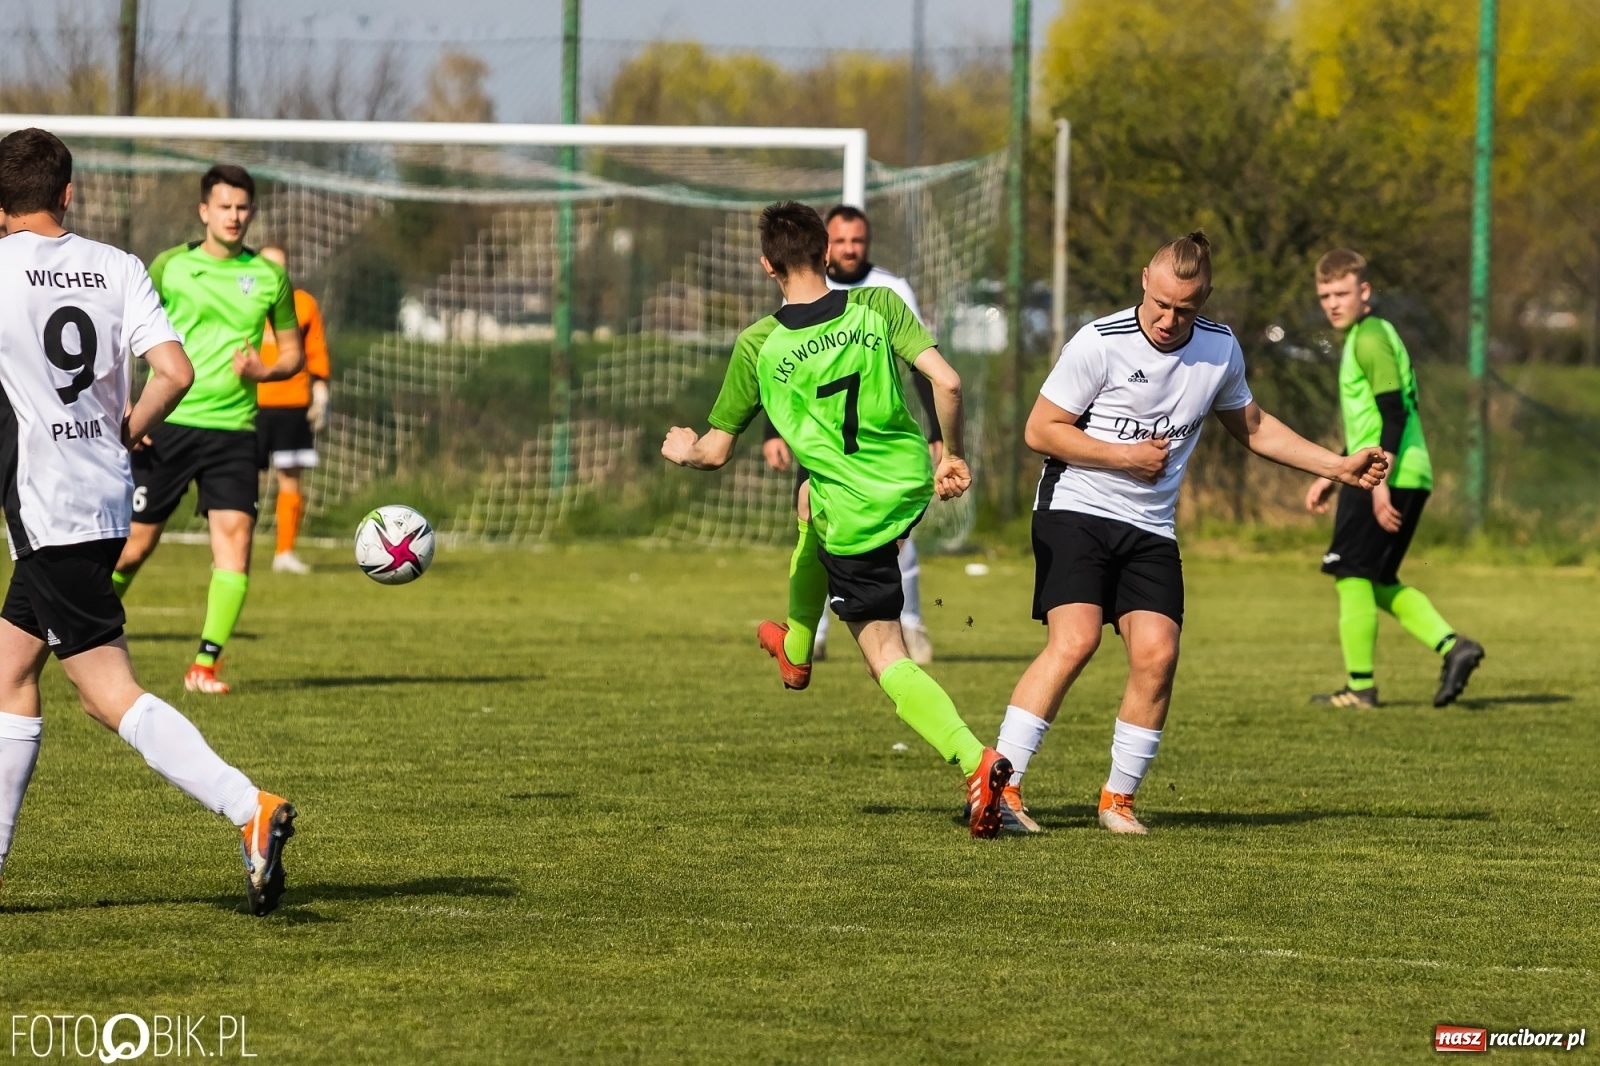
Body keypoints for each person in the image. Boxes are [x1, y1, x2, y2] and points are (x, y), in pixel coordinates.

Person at [991, 232, 1389, 835]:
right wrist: (1123, 457)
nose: (1171, 320)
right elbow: (1041, 430)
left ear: (1204, 300)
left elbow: (1251, 425)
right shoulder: (1099, 343)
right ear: (1144, 280)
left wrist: (1337, 466)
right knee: (1075, 641)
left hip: (1150, 524)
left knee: (1158, 654)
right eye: (1162, 305)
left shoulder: (1219, 348)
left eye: (1187, 309)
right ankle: (1002, 789)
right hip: (1076, 508)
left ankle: (1117, 802)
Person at [0, 128, 296, 915]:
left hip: (48, 501)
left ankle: (248, 807)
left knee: (106, 692)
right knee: (9, 672)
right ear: (67, 193)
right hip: (100, 491)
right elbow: (177, 371)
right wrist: (126, 425)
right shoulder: (120, 265)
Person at [661, 201, 1013, 838]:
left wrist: (682, 447)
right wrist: (952, 455)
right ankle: (795, 651)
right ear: (827, 252)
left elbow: (714, 453)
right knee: (808, 505)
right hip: (904, 486)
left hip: (856, 513)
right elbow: (950, 384)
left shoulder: (761, 345)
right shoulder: (878, 308)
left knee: (886, 656)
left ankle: (975, 760)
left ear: (768, 265)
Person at [112, 164, 306, 694]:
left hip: (235, 430)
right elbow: (120, 332)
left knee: (235, 540)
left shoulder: (270, 277)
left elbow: (294, 353)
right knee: (133, 548)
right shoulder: (170, 266)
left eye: (242, 207)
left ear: (252, 213)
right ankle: (80, 629)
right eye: (224, 206)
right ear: (204, 211)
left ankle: (205, 664)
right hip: (169, 424)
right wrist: (131, 404)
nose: (234, 216)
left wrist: (266, 371)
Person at [761, 205, 941, 664]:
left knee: (894, 539)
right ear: (826, 248)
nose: (848, 249)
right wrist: (771, 432)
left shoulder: (889, 290)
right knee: (817, 528)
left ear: (866, 243)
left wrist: (936, 430)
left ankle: (910, 624)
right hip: (820, 436)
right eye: (840, 241)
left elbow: (922, 361)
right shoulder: (803, 285)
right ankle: (812, 634)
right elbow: (780, 368)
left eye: (856, 241)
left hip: (880, 441)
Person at [1305, 249, 1484, 708]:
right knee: (1379, 578)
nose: (1333, 303)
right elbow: (1371, 422)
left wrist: (1376, 482)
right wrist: (1335, 470)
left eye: (1341, 292)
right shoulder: (1370, 335)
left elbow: (1393, 414)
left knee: (1350, 573)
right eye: (1325, 294)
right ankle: (1454, 647)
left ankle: (1360, 687)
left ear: (1365, 292)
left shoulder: (1368, 338)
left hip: (1387, 472)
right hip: (1397, 470)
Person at [254, 245, 331, 575]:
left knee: (290, 479)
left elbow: (315, 350)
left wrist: (321, 391)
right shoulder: (243, 302)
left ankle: (284, 552)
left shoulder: (304, 304)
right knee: (241, 479)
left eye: (280, 267)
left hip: (292, 404)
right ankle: (230, 549)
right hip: (248, 404)